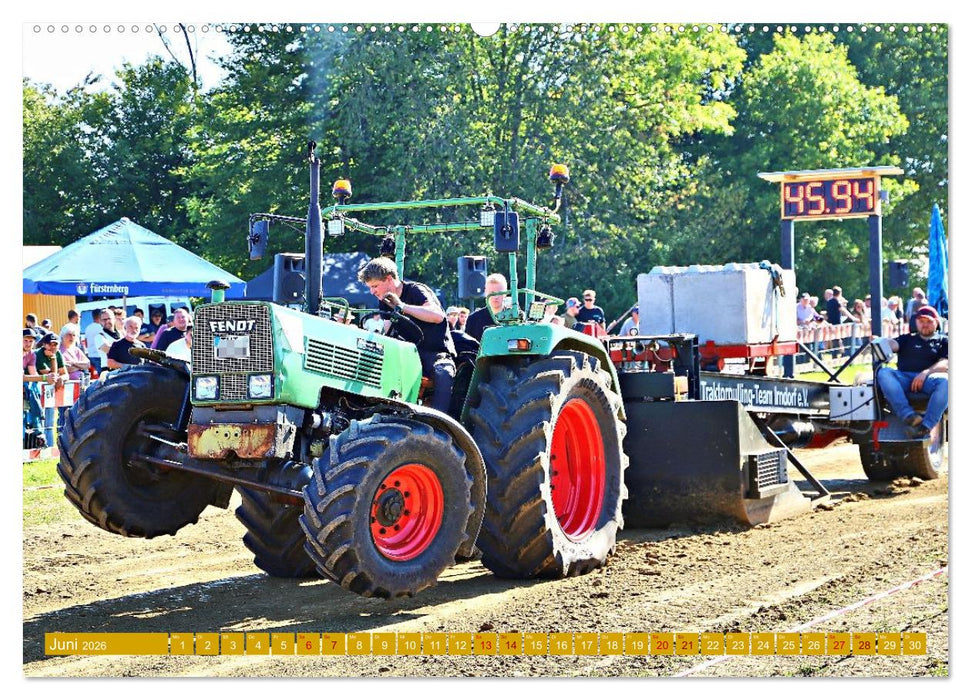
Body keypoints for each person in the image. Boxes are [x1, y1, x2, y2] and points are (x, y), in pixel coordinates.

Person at [358, 257, 456, 414]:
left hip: (434, 353)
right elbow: (387, 330)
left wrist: (402, 306)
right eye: (370, 287)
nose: (372, 291)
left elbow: (437, 315)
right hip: (408, 352)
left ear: (389, 279)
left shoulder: (416, 291)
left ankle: (440, 421)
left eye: (375, 286)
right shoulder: (384, 301)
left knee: (443, 372)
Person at [875, 305, 947, 439]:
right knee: (884, 372)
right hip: (903, 378)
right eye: (921, 321)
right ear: (916, 323)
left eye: (929, 321)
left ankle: (926, 426)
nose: (924, 325)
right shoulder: (907, 338)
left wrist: (925, 373)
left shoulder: (943, 340)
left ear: (936, 322)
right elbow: (893, 345)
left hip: (930, 379)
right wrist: (883, 341)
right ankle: (909, 416)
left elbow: (946, 363)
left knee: (946, 382)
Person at [463, 273, 508, 342]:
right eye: (492, 293)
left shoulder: (515, 318)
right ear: (486, 292)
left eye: (499, 293)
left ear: (505, 293)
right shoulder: (473, 320)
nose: (496, 297)